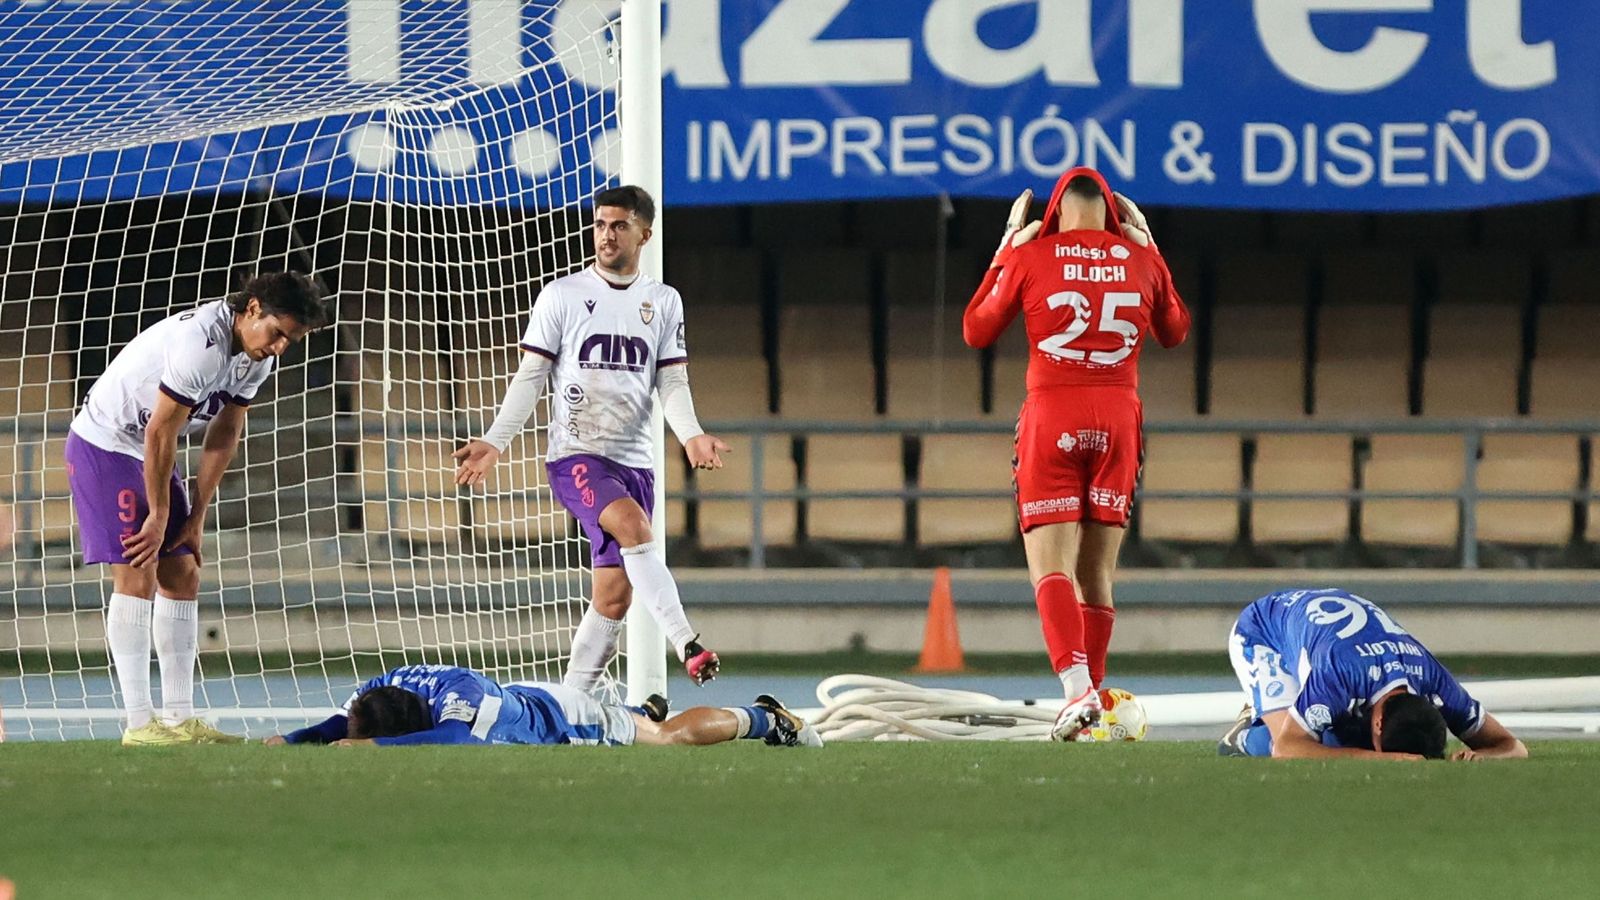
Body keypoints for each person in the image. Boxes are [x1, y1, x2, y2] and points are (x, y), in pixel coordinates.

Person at [453, 185, 728, 694]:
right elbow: (532, 375)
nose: (605, 235)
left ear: (644, 233)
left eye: (619, 225)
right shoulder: (563, 295)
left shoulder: (662, 301)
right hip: (577, 455)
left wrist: (690, 436)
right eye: (600, 224)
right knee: (633, 525)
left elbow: (671, 380)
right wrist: (495, 440)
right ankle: (687, 641)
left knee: (613, 597)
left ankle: (571, 702)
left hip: (635, 463)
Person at [962, 167, 1190, 741]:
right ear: (1113, 213)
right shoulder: (1139, 260)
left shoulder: (1034, 256)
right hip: (1119, 417)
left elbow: (977, 329)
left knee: (1051, 567)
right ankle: (1094, 710)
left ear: (1056, 212)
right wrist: (1153, 249)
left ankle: (1077, 692)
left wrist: (1005, 249)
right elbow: (1176, 329)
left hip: (1054, 412)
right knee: (1098, 574)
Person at [66, 272, 332, 746]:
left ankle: (179, 719)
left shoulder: (254, 360)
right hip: (107, 444)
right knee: (137, 570)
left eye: (290, 341)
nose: (278, 348)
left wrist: (195, 518)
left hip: (147, 451)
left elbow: (224, 434)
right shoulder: (199, 344)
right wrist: (160, 514)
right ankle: (138, 724)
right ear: (252, 309)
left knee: (183, 573)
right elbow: (160, 432)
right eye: (276, 333)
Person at [1220, 588, 1528, 760]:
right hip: (1264, 632)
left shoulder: (1436, 682)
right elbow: (1289, 748)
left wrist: (1485, 757)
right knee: (1292, 745)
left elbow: (1513, 746)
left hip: (1333, 641)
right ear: (1377, 723)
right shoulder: (1340, 673)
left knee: (1338, 738)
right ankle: (1246, 735)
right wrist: (1379, 759)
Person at [265, 664, 822, 748]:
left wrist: (373, 749)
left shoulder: (463, 704)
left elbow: (454, 740)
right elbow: (347, 720)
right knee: (642, 723)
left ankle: (765, 718)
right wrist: (291, 741)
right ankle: (637, 710)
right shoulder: (383, 687)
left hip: (561, 716)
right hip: (529, 697)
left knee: (666, 740)